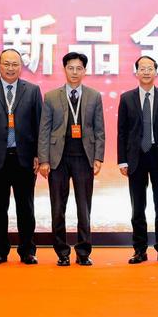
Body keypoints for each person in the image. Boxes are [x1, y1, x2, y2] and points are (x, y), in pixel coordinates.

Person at [0, 49, 42, 265]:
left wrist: (39, 155)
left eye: (15, 64)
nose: (10, 68)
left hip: (25, 159)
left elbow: (40, 126)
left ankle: (27, 251)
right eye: (6, 64)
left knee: (26, 208)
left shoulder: (32, 91)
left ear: (21, 67)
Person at [38, 52, 105, 266]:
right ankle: (62, 253)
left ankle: (83, 252)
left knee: (84, 207)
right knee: (58, 207)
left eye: (79, 68)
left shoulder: (94, 96)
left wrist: (98, 157)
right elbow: (44, 130)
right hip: (57, 159)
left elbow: (99, 129)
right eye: (70, 68)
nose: (74, 72)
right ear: (64, 69)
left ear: (85, 71)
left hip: (84, 158)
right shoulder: (51, 96)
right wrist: (44, 160)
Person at [117, 56, 158, 264]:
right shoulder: (126, 98)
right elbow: (122, 132)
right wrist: (122, 160)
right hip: (136, 158)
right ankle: (139, 250)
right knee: (138, 207)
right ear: (136, 72)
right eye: (142, 68)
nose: (146, 72)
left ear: (155, 71)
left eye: (149, 68)